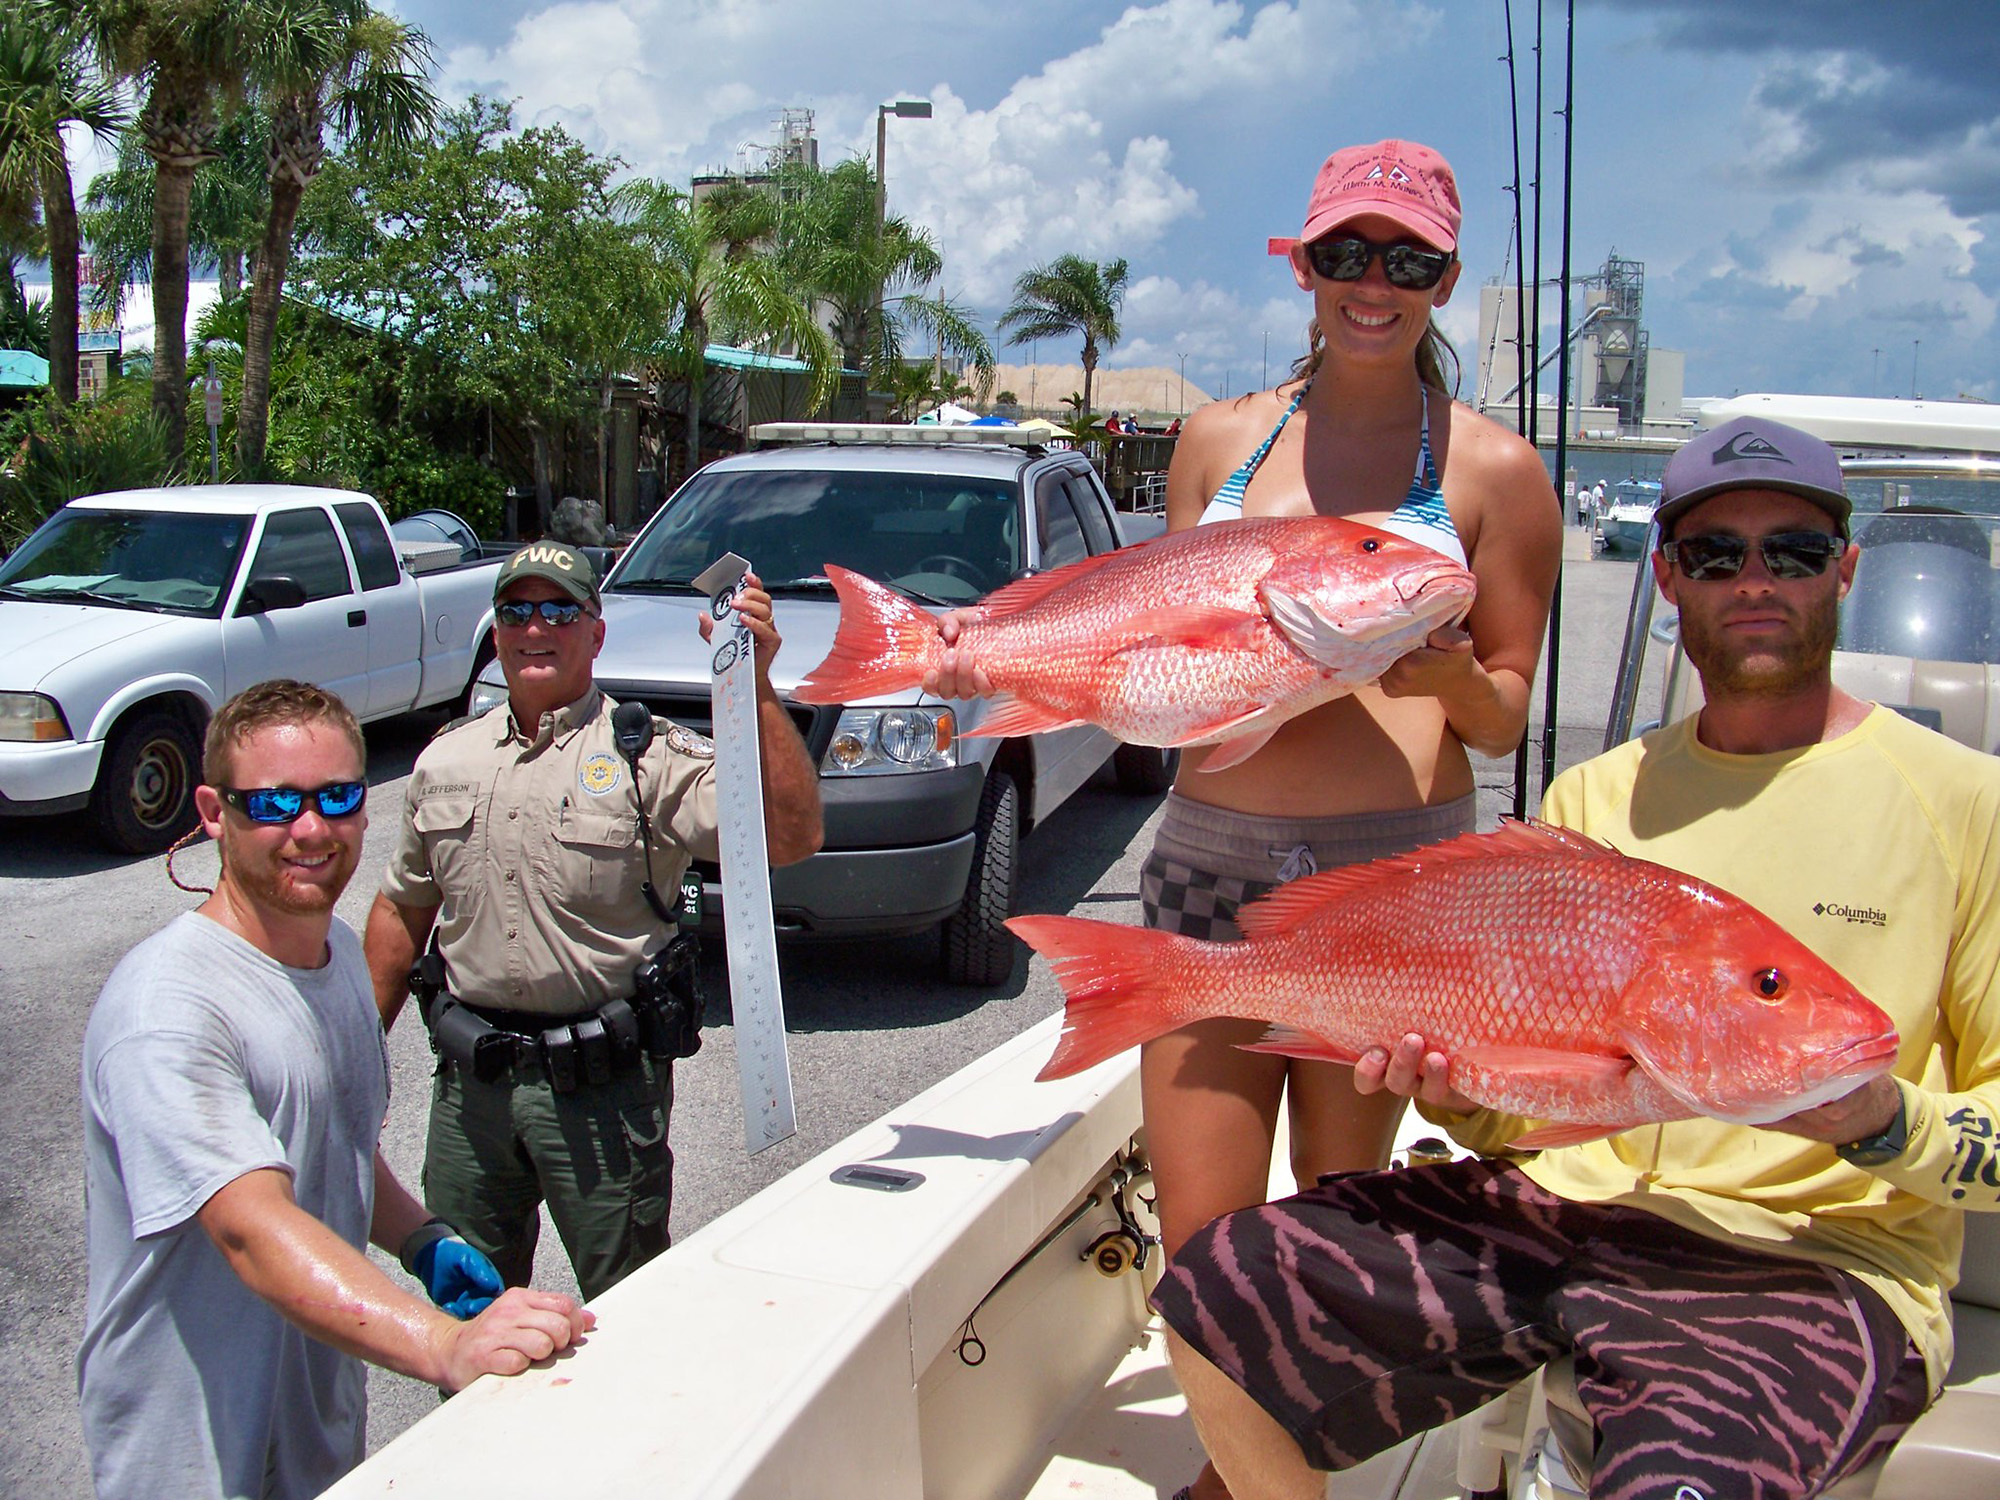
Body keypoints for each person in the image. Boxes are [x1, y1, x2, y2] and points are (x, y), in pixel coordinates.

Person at [1153, 415, 2000, 1500]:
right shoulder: (1592, 799)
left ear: (1843, 572)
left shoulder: (1966, 807)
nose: (1752, 582)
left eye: (1788, 552)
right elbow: (1521, 1115)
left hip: (1808, 1261)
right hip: (1549, 1210)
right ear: (1666, 578)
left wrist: (1877, 1119)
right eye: (1712, 554)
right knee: (1216, 1289)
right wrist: (1452, 1093)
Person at [931, 138, 1560, 1500]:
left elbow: (1506, 708)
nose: (1373, 285)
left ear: (1449, 278)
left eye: (1408, 260)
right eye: (1345, 253)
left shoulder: (1501, 475)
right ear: (1304, 266)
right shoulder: (1221, 441)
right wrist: (1014, 670)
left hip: (1394, 883)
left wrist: (1441, 670)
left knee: (1334, 1262)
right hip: (1209, 864)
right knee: (1208, 1265)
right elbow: (1165, 649)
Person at [79, 680, 593, 1500]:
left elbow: (333, 1140)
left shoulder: (341, 964)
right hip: (191, 1456)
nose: (310, 829)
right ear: (214, 812)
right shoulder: (169, 1011)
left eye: (336, 797)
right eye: (275, 803)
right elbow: (249, 1226)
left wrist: (422, 1237)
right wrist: (442, 1346)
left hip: (318, 1434)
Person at [363, 542, 822, 1301]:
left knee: (627, 1314)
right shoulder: (447, 759)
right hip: (469, 1096)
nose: (535, 627)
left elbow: (792, 835)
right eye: (516, 610)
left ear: (595, 631)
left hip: (600, 1099)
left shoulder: (649, 759)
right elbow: (402, 910)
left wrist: (756, 686)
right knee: (464, 1312)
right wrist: (351, 1061)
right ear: (498, 629)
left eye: (558, 610)